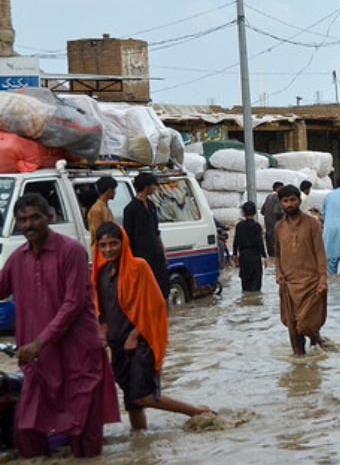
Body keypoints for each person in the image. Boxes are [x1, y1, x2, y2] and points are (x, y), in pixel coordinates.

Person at [0, 194, 119, 458]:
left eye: (34, 218)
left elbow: (73, 303)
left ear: (50, 217)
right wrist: (37, 346)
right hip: (38, 361)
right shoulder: (17, 257)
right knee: (26, 429)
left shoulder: (71, 250)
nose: (29, 225)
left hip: (78, 355)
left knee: (83, 437)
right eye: (22, 220)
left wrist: (40, 342)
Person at [92, 222, 212, 430]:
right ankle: (141, 445)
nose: (108, 249)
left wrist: (135, 334)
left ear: (124, 243)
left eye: (113, 244)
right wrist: (102, 334)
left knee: (142, 395)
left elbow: (156, 305)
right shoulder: (101, 273)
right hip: (117, 343)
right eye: (103, 245)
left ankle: (196, 411)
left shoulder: (139, 267)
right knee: (132, 402)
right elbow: (102, 310)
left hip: (141, 341)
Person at [274, 184, 328, 355]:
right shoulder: (278, 228)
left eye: (292, 200)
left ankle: (316, 338)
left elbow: (320, 252)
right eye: (285, 201)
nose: (289, 204)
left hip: (311, 284)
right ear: (281, 203)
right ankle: (300, 374)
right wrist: (279, 273)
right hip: (289, 286)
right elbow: (277, 254)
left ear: (299, 201)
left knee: (305, 325)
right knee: (294, 335)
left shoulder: (312, 224)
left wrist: (323, 279)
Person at [123, 172, 170, 299]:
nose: (155, 188)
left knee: (162, 289)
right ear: (146, 186)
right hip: (141, 256)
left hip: (156, 253)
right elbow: (128, 236)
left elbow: (156, 230)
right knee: (145, 290)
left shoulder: (151, 206)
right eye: (153, 185)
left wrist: (163, 250)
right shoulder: (130, 209)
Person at [233, 202, 267, 292]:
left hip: (243, 256)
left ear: (243, 212)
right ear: (255, 212)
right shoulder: (257, 226)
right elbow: (260, 242)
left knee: (245, 282)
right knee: (256, 283)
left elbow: (235, 241)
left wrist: (235, 255)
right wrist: (264, 256)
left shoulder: (239, 226)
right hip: (255, 256)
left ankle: (246, 302)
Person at [87, 175, 118, 246]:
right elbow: (100, 234)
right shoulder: (97, 209)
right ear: (109, 190)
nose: (115, 193)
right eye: (114, 190)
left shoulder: (105, 207)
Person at [261, 181, 285, 258]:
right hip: (275, 223)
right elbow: (277, 212)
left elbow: (262, 211)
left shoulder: (268, 197)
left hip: (268, 224)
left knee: (269, 244)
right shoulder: (277, 198)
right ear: (278, 189)